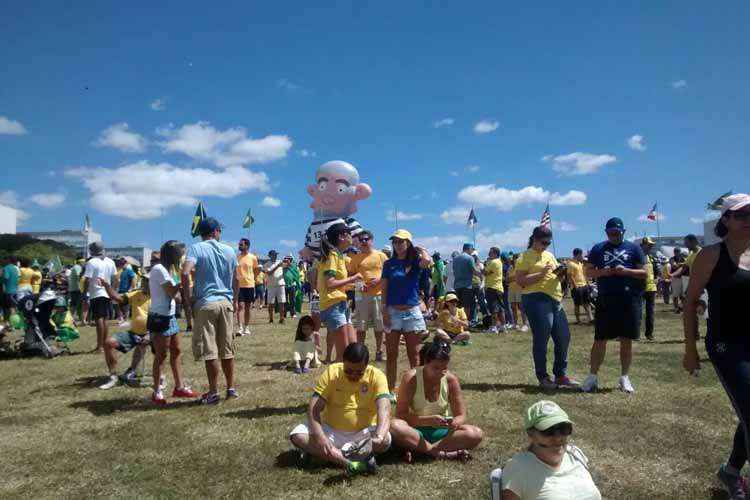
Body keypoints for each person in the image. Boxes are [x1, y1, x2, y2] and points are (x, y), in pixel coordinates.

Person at [682, 194, 750, 499]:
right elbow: (690, 302)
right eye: (741, 214)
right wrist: (690, 350)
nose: (748, 219)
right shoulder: (711, 255)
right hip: (727, 344)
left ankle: (731, 471)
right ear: (726, 220)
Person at [289, 343, 391, 476]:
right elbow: (313, 409)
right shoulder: (332, 372)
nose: (353, 375)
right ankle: (354, 462)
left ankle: (329, 456)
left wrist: (379, 437)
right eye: (348, 371)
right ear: (343, 363)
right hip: (331, 432)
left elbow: (384, 409)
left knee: (386, 439)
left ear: (366, 366)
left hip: (363, 434)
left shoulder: (377, 376)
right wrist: (321, 438)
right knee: (297, 435)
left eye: (359, 372)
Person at [581, 217, 646, 394]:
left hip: (629, 299)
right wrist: (604, 272)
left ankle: (624, 377)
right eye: (610, 233)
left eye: (616, 233)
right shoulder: (598, 248)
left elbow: (644, 272)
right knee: (600, 339)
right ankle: (592, 377)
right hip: (606, 299)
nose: (613, 236)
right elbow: (588, 272)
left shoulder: (634, 248)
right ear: (606, 232)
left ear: (623, 231)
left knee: (626, 339)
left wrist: (626, 271)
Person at [390, 339, 483, 461]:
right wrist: (427, 421)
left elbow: (461, 414)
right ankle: (439, 453)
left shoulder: (451, 380)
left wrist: (454, 423)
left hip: (441, 432)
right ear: (425, 364)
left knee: (475, 433)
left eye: (444, 368)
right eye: (436, 368)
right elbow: (400, 415)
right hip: (414, 431)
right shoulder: (411, 378)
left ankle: (421, 450)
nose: (441, 372)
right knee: (394, 426)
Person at [181, 217, 239, 405]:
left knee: (210, 350)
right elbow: (237, 279)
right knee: (227, 348)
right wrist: (235, 300)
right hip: (226, 302)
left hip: (205, 303)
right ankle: (231, 388)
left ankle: (213, 392)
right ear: (215, 232)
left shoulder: (196, 248)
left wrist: (188, 298)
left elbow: (185, 272)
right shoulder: (230, 250)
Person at [515, 226, 578, 390]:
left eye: (548, 243)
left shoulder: (549, 255)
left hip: (555, 299)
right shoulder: (524, 257)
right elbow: (521, 281)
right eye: (544, 242)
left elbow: (554, 274)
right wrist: (541, 274)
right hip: (536, 298)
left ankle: (560, 374)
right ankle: (543, 376)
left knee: (564, 336)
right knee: (542, 337)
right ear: (535, 239)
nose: (546, 246)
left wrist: (561, 271)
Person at [500, 400, 601, 500]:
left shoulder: (576, 456)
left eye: (564, 429)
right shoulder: (518, 468)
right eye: (548, 431)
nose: (558, 438)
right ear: (531, 435)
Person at [146, 243, 198, 404]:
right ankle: (157, 391)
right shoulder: (159, 270)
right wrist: (184, 278)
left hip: (170, 316)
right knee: (161, 355)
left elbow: (175, 297)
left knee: (176, 351)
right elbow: (171, 291)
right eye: (181, 255)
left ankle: (179, 387)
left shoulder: (168, 270)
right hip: (160, 317)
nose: (183, 258)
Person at [381, 229, 432, 392]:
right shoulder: (389, 264)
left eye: (401, 241)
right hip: (392, 311)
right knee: (391, 354)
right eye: (395, 241)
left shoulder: (416, 261)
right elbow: (384, 289)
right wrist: (384, 311)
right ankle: (390, 389)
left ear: (408, 243)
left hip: (412, 312)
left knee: (414, 354)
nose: (397, 245)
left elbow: (427, 260)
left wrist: (419, 248)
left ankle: (417, 390)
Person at [98, 274, 153, 389]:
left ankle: (159, 378)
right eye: (143, 280)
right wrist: (107, 286)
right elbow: (118, 298)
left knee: (163, 349)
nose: (143, 282)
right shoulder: (136, 294)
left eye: (147, 280)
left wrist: (149, 334)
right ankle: (113, 377)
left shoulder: (160, 297)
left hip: (155, 333)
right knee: (108, 343)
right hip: (134, 333)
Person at [318, 222, 362, 363]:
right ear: (342, 236)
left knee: (353, 347)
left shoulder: (338, 255)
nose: (351, 237)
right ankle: (338, 382)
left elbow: (337, 285)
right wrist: (353, 278)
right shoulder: (332, 255)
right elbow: (330, 283)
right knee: (343, 355)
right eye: (349, 234)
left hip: (341, 304)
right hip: (333, 305)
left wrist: (354, 286)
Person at [347, 230, 388, 362]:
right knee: (361, 326)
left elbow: (389, 274)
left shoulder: (381, 256)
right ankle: (361, 351)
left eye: (366, 239)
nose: (364, 242)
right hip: (361, 296)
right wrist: (360, 285)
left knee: (379, 326)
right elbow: (350, 276)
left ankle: (379, 351)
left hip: (379, 295)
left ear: (372, 240)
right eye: (361, 240)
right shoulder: (356, 258)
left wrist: (380, 280)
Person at [83, 242, 117, 353]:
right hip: (107, 292)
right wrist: (113, 291)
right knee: (105, 319)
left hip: (96, 293)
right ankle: (104, 344)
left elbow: (87, 279)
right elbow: (116, 278)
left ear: (92, 251)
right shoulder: (110, 261)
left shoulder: (91, 262)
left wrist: (84, 293)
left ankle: (100, 346)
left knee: (98, 319)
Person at [235, 238, 259, 336]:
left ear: (247, 246)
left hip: (249, 285)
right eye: (239, 244)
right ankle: (240, 328)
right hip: (239, 286)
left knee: (248, 308)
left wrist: (252, 278)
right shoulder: (236, 257)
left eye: (241, 244)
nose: (239, 246)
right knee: (240, 307)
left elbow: (256, 270)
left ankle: (246, 327)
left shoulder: (253, 257)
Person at [567, 248, 593, 324]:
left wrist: (587, 283)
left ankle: (590, 318)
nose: (582, 256)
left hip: (584, 285)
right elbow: (570, 276)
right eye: (581, 255)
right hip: (577, 287)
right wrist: (575, 287)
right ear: (578, 255)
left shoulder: (580, 263)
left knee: (587, 303)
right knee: (577, 304)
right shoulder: (571, 264)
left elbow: (583, 274)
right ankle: (578, 320)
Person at [452, 244, 476, 325]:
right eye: (472, 249)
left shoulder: (455, 259)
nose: (472, 251)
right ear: (468, 249)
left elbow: (454, 271)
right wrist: (482, 275)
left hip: (457, 285)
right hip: (467, 285)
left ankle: (457, 322)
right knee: (467, 306)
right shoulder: (470, 258)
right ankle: (466, 323)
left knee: (458, 306)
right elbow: (474, 270)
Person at [484, 247, 507, 333]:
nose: (489, 254)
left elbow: (486, 272)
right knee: (500, 308)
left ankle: (493, 327)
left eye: (490, 252)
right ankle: (503, 326)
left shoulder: (493, 262)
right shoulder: (499, 262)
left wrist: (480, 267)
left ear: (495, 253)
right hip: (498, 288)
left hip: (492, 287)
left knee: (493, 308)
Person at [640, 237, 659, 341]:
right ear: (643, 245)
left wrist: (657, 278)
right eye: (649, 245)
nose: (650, 247)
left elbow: (656, 271)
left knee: (650, 312)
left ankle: (649, 334)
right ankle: (635, 333)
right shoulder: (637, 256)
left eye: (651, 245)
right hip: (640, 288)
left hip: (651, 288)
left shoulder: (651, 257)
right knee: (638, 311)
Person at [506, 255, 528, 332]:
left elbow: (523, 278)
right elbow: (507, 280)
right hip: (511, 290)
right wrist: (515, 278)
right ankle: (515, 323)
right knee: (513, 307)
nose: (515, 260)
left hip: (520, 290)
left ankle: (525, 324)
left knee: (522, 308)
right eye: (515, 259)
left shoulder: (523, 268)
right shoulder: (510, 268)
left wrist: (513, 278)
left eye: (517, 259)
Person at [264, 250, 286, 323]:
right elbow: (269, 273)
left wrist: (288, 262)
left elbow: (288, 265)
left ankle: (281, 318)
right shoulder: (267, 264)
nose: (275, 256)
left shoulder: (280, 262)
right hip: (271, 286)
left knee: (282, 302)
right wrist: (277, 266)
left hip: (280, 284)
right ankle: (271, 319)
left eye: (276, 254)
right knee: (271, 303)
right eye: (273, 254)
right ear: (270, 256)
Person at [115, 258, 136, 323]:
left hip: (126, 291)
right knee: (119, 305)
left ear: (126, 263)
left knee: (126, 306)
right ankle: (121, 318)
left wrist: (131, 288)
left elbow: (133, 278)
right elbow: (117, 281)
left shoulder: (129, 271)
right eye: (121, 263)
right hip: (119, 290)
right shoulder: (119, 271)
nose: (122, 265)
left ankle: (125, 320)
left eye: (123, 263)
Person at [1, 256, 19, 327]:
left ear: (8, 260)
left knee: (7, 308)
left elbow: (6, 277)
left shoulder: (6, 268)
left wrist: (1, 280)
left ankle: (8, 324)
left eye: (4, 260)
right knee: (13, 307)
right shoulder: (15, 268)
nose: (3, 262)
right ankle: (14, 324)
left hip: (8, 291)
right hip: (15, 291)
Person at [282, 255, 301, 319]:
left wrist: (289, 263)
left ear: (291, 260)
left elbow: (296, 274)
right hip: (284, 285)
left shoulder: (293, 266)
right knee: (284, 301)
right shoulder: (283, 266)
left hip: (292, 286)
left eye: (289, 259)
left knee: (292, 300)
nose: (287, 260)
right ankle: (284, 313)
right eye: (286, 259)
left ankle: (293, 313)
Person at [669, 248, 686, 313]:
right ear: (674, 252)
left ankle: (681, 307)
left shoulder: (682, 258)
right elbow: (674, 266)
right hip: (675, 278)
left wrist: (681, 264)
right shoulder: (672, 259)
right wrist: (682, 264)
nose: (678, 253)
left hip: (683, 278)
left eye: (678, 252)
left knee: (683, 295)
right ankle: (676, 308)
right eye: (676, 252)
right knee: (675, 294)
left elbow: (687, 265)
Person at [67, 257, 84, 322]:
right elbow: (79, 275)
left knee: (78, 304)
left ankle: (79, 318)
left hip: (74, 288)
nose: (84, 263)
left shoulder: (76, 267)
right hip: (76, 288)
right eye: (83, 262)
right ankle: (71, 318)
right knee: (75, 304)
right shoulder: (77, 267)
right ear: (80, 262)